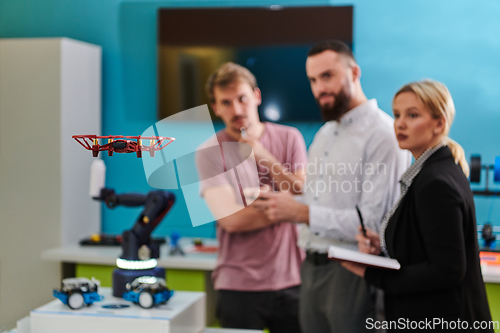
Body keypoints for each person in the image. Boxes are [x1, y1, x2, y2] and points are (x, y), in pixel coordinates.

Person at [254, 40, 410, 332]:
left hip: (354, 273)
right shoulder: (325, 134)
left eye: (327, 76)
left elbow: (375, 223)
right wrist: (279, 202)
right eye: (313, 80)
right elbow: (315, 199)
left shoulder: (384, 135)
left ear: (353, 73)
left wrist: (301, 213)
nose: (319, 88)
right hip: (311, 269)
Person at [342, 80, 494, 332]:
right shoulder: (436, 171)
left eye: (412, 115)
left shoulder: (435, 181)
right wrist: (382, 248)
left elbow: (447, 270)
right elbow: (424, 248)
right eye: (397, 114)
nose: (400, 123)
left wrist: (372, 273)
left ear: (439, 123)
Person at [195, 62, 307, 333]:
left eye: (242, 98)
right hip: (238, 285)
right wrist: (285, 208)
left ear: (256, 96)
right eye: (226, 102)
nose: (236, 109)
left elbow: (302, 195)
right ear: (216, 108)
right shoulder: (209, 152)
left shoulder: (290, 138)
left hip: (293, 280)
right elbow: (231, 221)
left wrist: (265, 158)